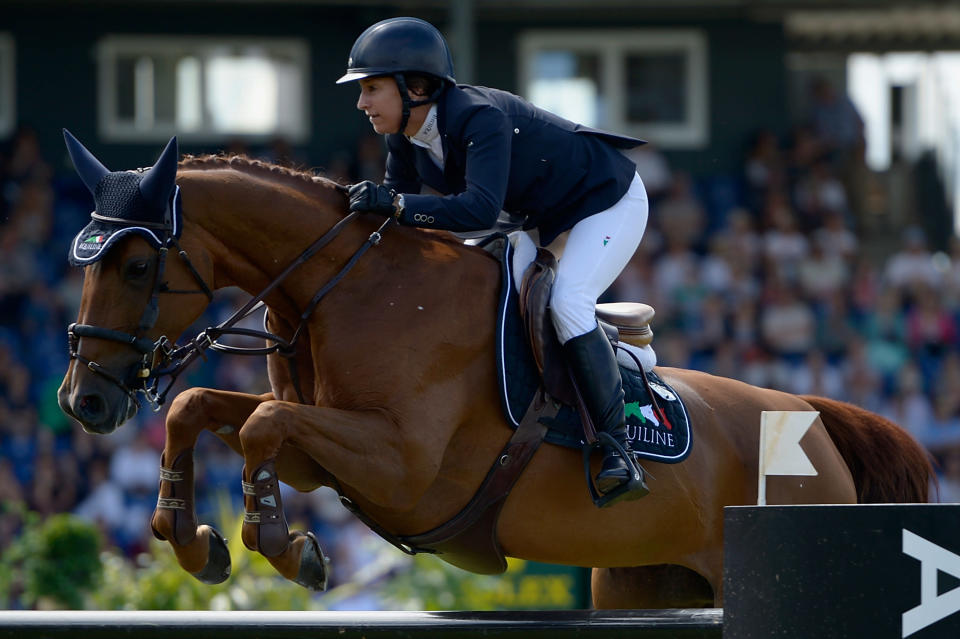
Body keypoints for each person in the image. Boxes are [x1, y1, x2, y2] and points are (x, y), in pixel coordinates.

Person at [338, 17, 650, 504]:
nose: (362, 103)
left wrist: (393, 204)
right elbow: (396, 214)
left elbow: (476, 210)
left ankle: (618, 446)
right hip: (532, 215)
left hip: (603, 202)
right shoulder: (403, 135)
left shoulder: (478, 116)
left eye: (372, 88)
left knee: (567, 301)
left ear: (415, 87)